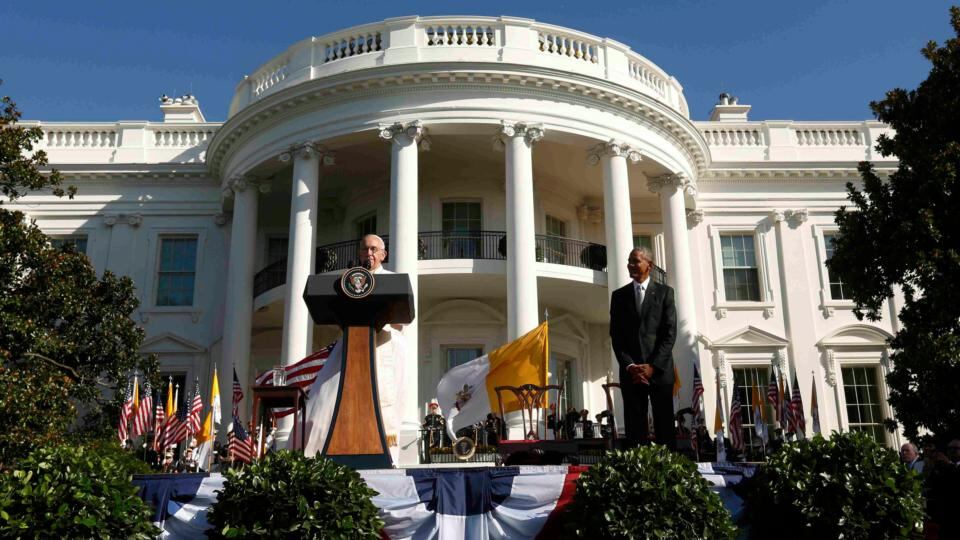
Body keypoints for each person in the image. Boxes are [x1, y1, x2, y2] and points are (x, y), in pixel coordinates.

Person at [302, 234, 410, 465]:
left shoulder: (391, 281)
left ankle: (386, 456)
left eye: (373, 249)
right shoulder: (346, 281)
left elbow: (402, 321)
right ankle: (325, 452)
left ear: (383, 254)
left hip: (383, 347)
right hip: (351, 346)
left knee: (383, 403)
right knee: (326, 398)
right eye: (364, 249)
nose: (368, 253)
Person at [609, 246, 678, 450]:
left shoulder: (665, 293)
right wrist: (631, 366)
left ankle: (667, 472)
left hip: (660, 372)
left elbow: (669, 334)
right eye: (629, 261)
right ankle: (637, 474)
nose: (630, 265)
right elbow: (617, 336)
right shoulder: (619, 296)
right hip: (632, 374)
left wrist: (652, 366)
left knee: (664, 426)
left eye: (635, 261)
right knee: (634, 428)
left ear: (650, 265)